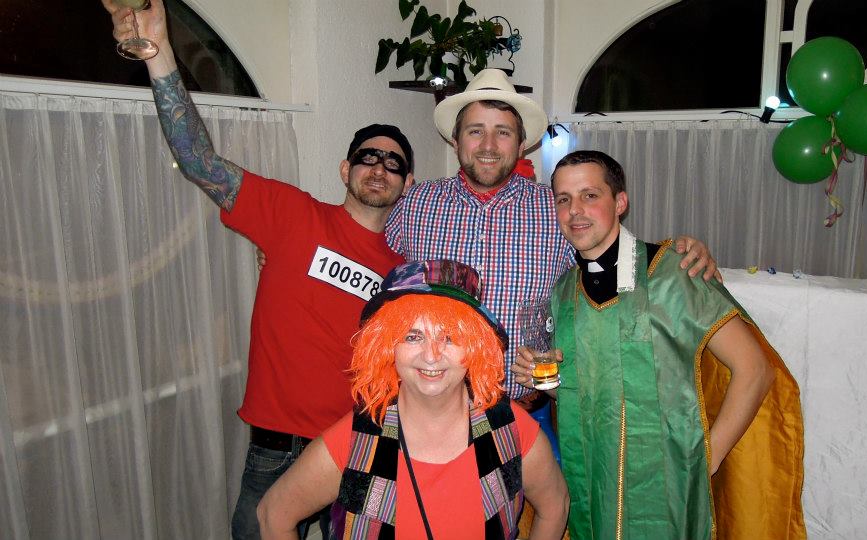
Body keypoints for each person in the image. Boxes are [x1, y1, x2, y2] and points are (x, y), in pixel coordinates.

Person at [102, 1, 414, 537]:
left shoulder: (402, 275)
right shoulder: (291, 214)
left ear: (406, 184)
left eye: (394, 163)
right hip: (275, 448)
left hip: (354, 448)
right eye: (368, 156)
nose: (379, 168)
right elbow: (197, 160)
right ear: (346, 168)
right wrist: (159, 54)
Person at [512, 150, 806, 539]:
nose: (574, 210)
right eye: (563, 199)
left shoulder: (674, 272)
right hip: (592, 485)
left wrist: (708, 458)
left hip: (667, 491)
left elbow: (755, 370)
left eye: (590, 195)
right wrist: (545, 383)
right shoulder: (565, 291)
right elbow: (585, 395)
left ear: (620, 202)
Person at [385, 68, 720, 405]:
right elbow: (370, 252)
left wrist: (678, 250)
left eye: (503, 133)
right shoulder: (415, 203)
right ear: (456, 140)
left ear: (521, 145)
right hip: (429, 406)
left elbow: (614, 256)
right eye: (476, 131)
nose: (488, 145)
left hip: (524, 408)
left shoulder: (556, 208)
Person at [257, 259, 569, 539]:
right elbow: (273, 516)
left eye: (450, 337)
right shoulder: (356, 440)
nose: (431, 356)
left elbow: (556, 506)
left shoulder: (510, 428)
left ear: (476, 346)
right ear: (387, 346)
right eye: (412, 336)